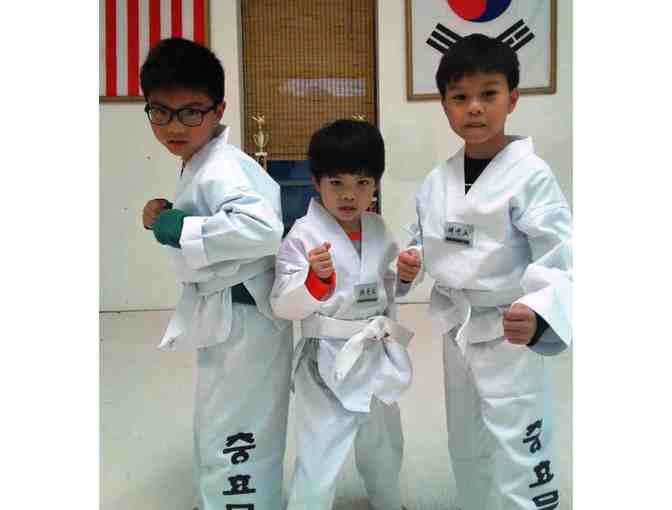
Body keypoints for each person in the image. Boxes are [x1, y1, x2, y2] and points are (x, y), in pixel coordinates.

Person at [402, 34, 573, 510]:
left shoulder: (531, 175)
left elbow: (559, 252)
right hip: (456, 323)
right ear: (444, 105)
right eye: (459, 97)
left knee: (519, 432)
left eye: (488, 94)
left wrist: (539, 311)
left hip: (508, 325)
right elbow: (423, 238)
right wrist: (412, 260)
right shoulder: (437, 180)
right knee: (466, 436)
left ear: (512, 99)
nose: (474, 107)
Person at [139, 37, 292, 510]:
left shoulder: (223, 166)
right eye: (160, 112)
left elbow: (262, 229)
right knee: (224, 418)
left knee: (235, 423)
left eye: (191, 112)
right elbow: (216, 216)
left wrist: (181, 227)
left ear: (218, 110)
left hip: (245, 318)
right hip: (232, 315)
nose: (174, 126)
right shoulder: (203, 161)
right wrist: (170, 213)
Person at [270, 119, 421, 510]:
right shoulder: (303, 235)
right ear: (316, 182)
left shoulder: (379, 228)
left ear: (376, 184)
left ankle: (388, 501)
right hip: (326, 360)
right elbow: (282, 303)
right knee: (321, 447)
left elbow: (389, 287)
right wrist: (315, 282)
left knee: (384, 442)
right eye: (336, 182)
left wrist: (405, 276)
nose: (350, 195)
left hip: (376, 353)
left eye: (362, 182)